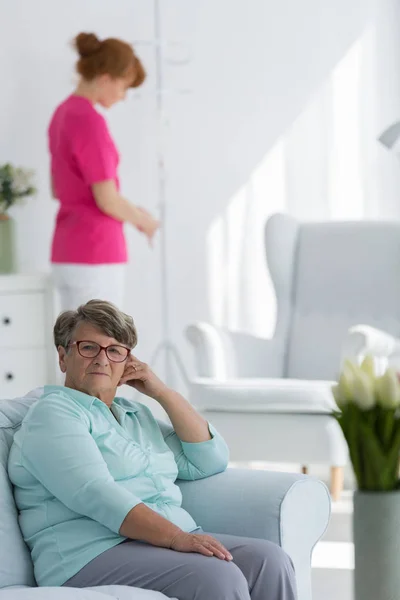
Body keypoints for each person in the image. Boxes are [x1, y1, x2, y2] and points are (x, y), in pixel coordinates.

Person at [8, 300, 297, 600]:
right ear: (63, 356)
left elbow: (208, 460)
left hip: (155, 543)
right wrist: (176, 537)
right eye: (89, 347)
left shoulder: (135, 415)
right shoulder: (54, 413)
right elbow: (97, 495)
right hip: (86, 555)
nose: (102, 359)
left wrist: (161, 392)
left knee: (270, 561)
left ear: (128, 362)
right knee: (217, 575)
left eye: (115, 350)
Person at [48, 33, 159, 311]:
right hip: (95, 254)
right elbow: (107, 199)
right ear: (105, 78)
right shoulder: (89, 121)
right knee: (102, 349)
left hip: (67, 251)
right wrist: (143, 220)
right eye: (123, 87)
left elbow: (56, 188)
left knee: (77, 347)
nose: (123, 97)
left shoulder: (62, 114)